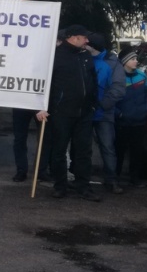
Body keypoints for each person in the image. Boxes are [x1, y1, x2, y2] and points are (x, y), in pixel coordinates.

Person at [36, 24, 101, 201]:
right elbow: (44, 83)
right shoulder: (56, 56)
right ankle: (60, 186)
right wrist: (42, 106)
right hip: (61, 112)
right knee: (59, 151)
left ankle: (83, 186)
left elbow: (93, 81)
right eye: (84, 37)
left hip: (84, 112)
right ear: (73, 37)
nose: (87, 40)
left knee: (83, 151)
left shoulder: (85, 56)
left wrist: (93, 103)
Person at [87, 33, 125, 194]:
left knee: (108, 146)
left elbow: (118, 88)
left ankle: (111, 179)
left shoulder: (112, 63)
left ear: (92, 46)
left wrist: (102, 105)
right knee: (82, 147)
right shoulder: (83, 58)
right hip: (85, 111)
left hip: (104, 112)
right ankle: (81, 178)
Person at [114, 48, 147, 188]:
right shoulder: (117, 78)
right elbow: (112, 99)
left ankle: (135, 178)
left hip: (139, 121)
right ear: (125, 62)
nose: (136, 61)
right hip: (122, 122)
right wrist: (119, 114)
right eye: (132, 59)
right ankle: (115, 177)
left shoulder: (142, 76)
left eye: (136, 58)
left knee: (137, 151)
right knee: (119, 151)